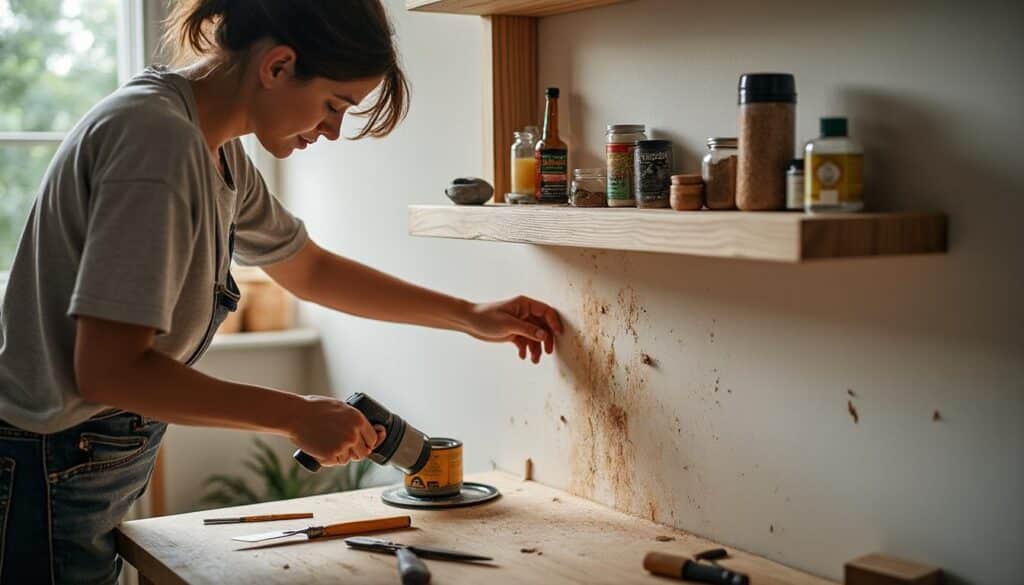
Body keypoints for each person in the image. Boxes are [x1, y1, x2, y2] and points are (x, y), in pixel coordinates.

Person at [0, 1, 563, 582]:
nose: (333, 130)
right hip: (44, 465)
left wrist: (469, 315)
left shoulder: (215, 148)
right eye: (334, 105)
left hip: (80, 459)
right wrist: (295, 415)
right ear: (277, 66)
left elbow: (308, 269)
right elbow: (109, 372)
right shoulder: (157, 143)